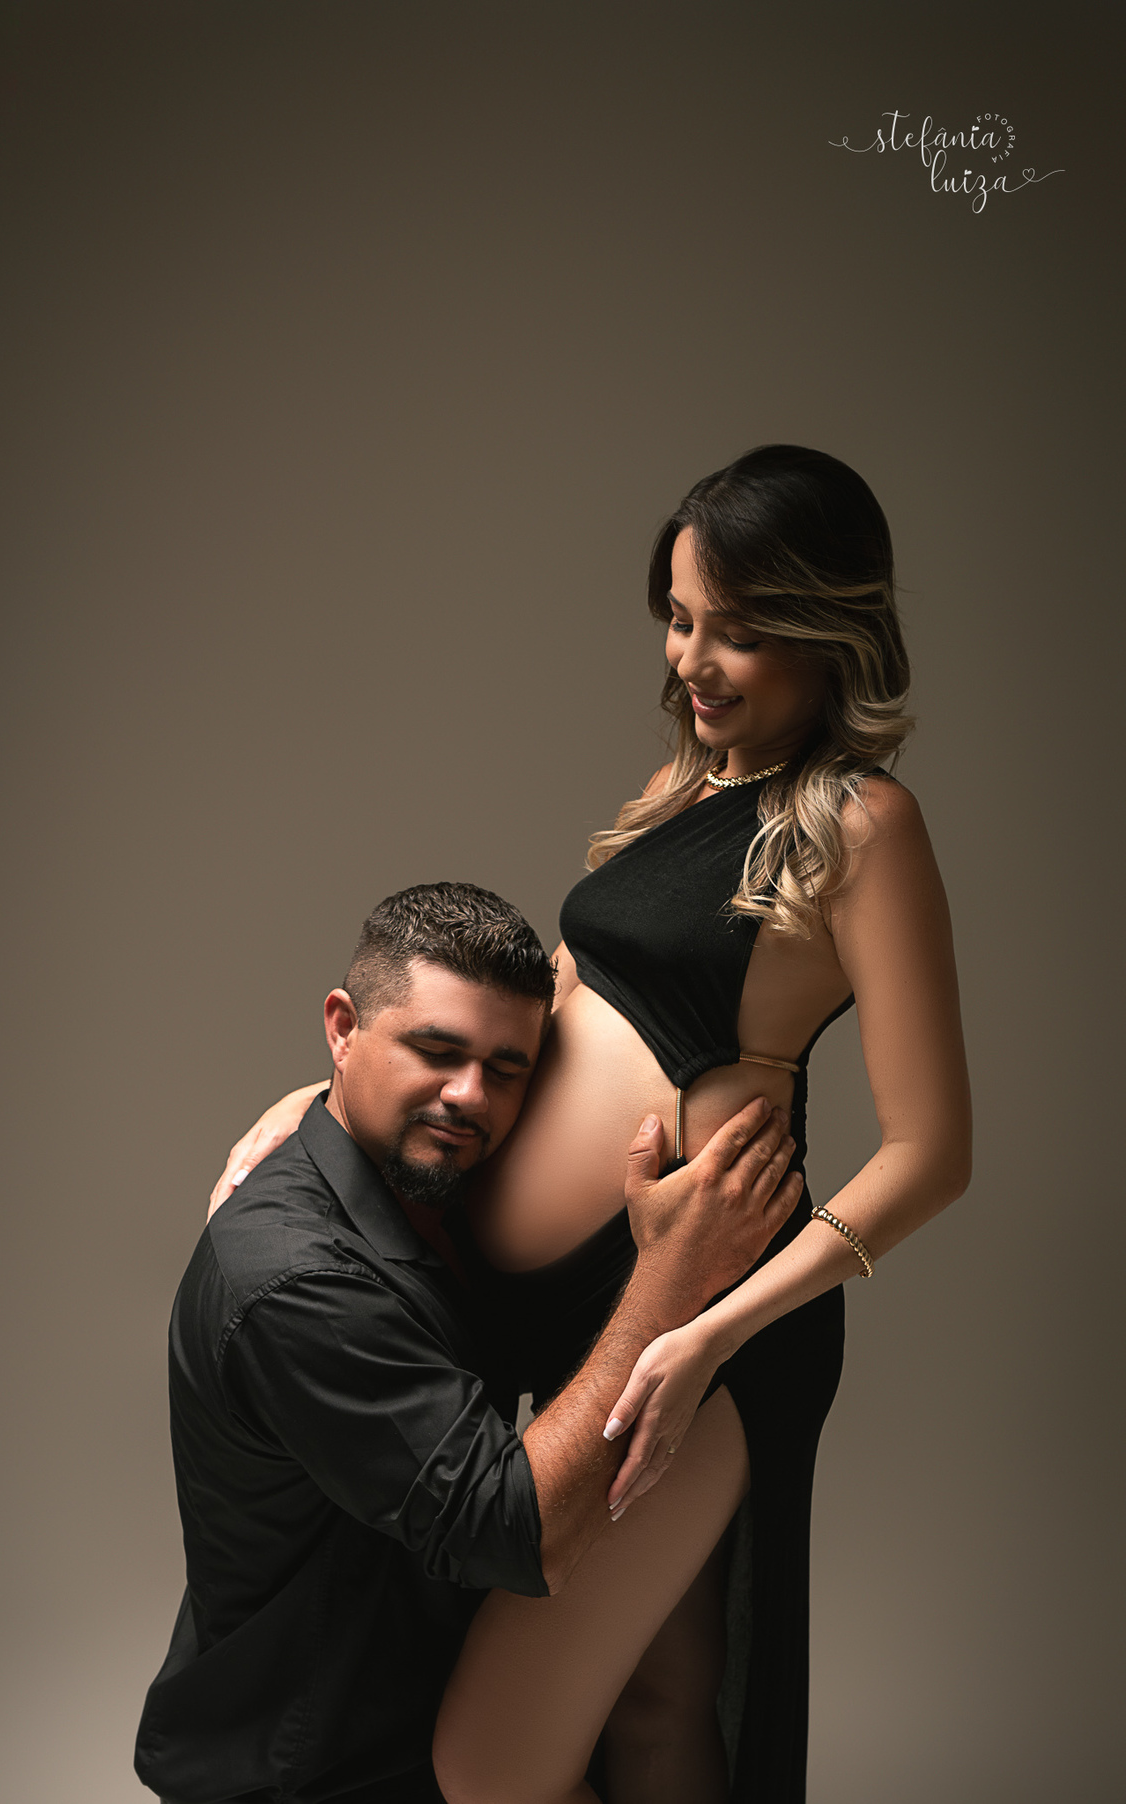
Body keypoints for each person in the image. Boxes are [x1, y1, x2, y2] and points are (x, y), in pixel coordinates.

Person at [213, 444, 972, 1803]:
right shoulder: (687, 799)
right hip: (577, 1313)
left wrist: (710, 1333)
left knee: (494, 1758)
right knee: (657, 1696)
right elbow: (556, 1010)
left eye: (739, 630)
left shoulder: (863, 824)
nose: (694, 659)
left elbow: (933, 1152)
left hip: (697, 1324)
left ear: (827, 625)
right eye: (679, 618)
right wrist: (317, 1095)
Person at [136, 882, 803, 1804]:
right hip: (319, 1773)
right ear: (342, 1028)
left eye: (506, 1068)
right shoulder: (296, 1281)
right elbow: (516, 1533)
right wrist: (669, 1278)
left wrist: (312, 1096)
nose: (468, 1097)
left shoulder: (437, 1193)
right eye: (436, 1052)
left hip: (426, 1718)